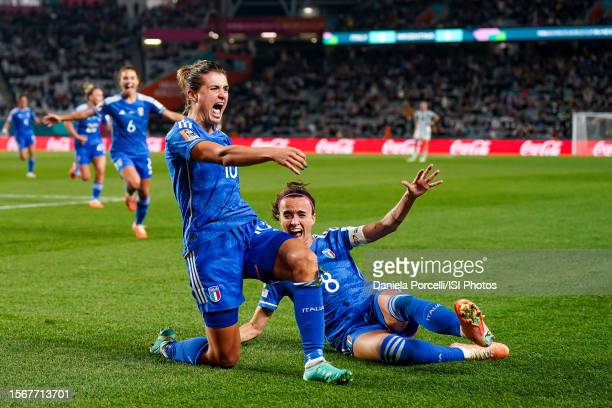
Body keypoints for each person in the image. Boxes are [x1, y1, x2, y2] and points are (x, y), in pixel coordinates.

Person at [149, 59, 352, 384]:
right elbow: (220, 155)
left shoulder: (224, 134)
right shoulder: (182, 133)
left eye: (226, 88)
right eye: (214, 88)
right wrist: (271, 152)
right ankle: (169, 348)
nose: (222, 95)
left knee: (304, 258)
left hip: (248, 230)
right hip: (210, 245)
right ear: (192, 94)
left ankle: (315, 361)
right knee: (225, 356)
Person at [240, 167, 509, 366]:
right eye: (288, 215)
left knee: (400, 302)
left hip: (371, 301)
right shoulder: (275, 272)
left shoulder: (336, 238)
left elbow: (385, 226)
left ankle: (468, 330)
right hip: (347, 332)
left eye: (301, 214)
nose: (295, 221)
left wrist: (410, 197)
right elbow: (255, 326)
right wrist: (218, 342)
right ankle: (474, 349)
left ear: (313, 218)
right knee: (399, 352)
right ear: (279, 219)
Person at [44, 65, 184, 238]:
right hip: (121, 152)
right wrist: (61, 117)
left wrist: (195, 122)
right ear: (120, 82)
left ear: (137, 81)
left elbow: (170, 115)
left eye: (132, 78)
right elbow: (86, 113)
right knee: (134, 182)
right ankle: (128, 192)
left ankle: (138, 223)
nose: (129, 81)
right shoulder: (111, 103)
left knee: (145, 192)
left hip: (142, 153)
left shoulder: (147, 101)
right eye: (125, 78)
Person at [64, 83, 107, 208]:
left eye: (101, 95)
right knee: (86, 177)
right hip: (82, 145)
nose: (101, 97)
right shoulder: (81, 109)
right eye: (98, 95)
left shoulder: (101, 110)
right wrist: (77, 136)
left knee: (100, 170)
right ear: (90, 97)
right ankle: (76, 167)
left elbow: (107, 124)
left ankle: (95, 199)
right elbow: (67, 123)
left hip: (97, 144)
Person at [2, 95, 41, 178]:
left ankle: (30, 172)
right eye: (23, 101)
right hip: (19, 135)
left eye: (25, 101)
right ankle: (22, 151)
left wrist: (41, 121)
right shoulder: (14, 112)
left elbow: (36, 120)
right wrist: (5, 130)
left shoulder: (29, 111)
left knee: (32, 153)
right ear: (19, 102)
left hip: (29, 133)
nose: (24, 102)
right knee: (23, 157)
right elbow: (8, 122)